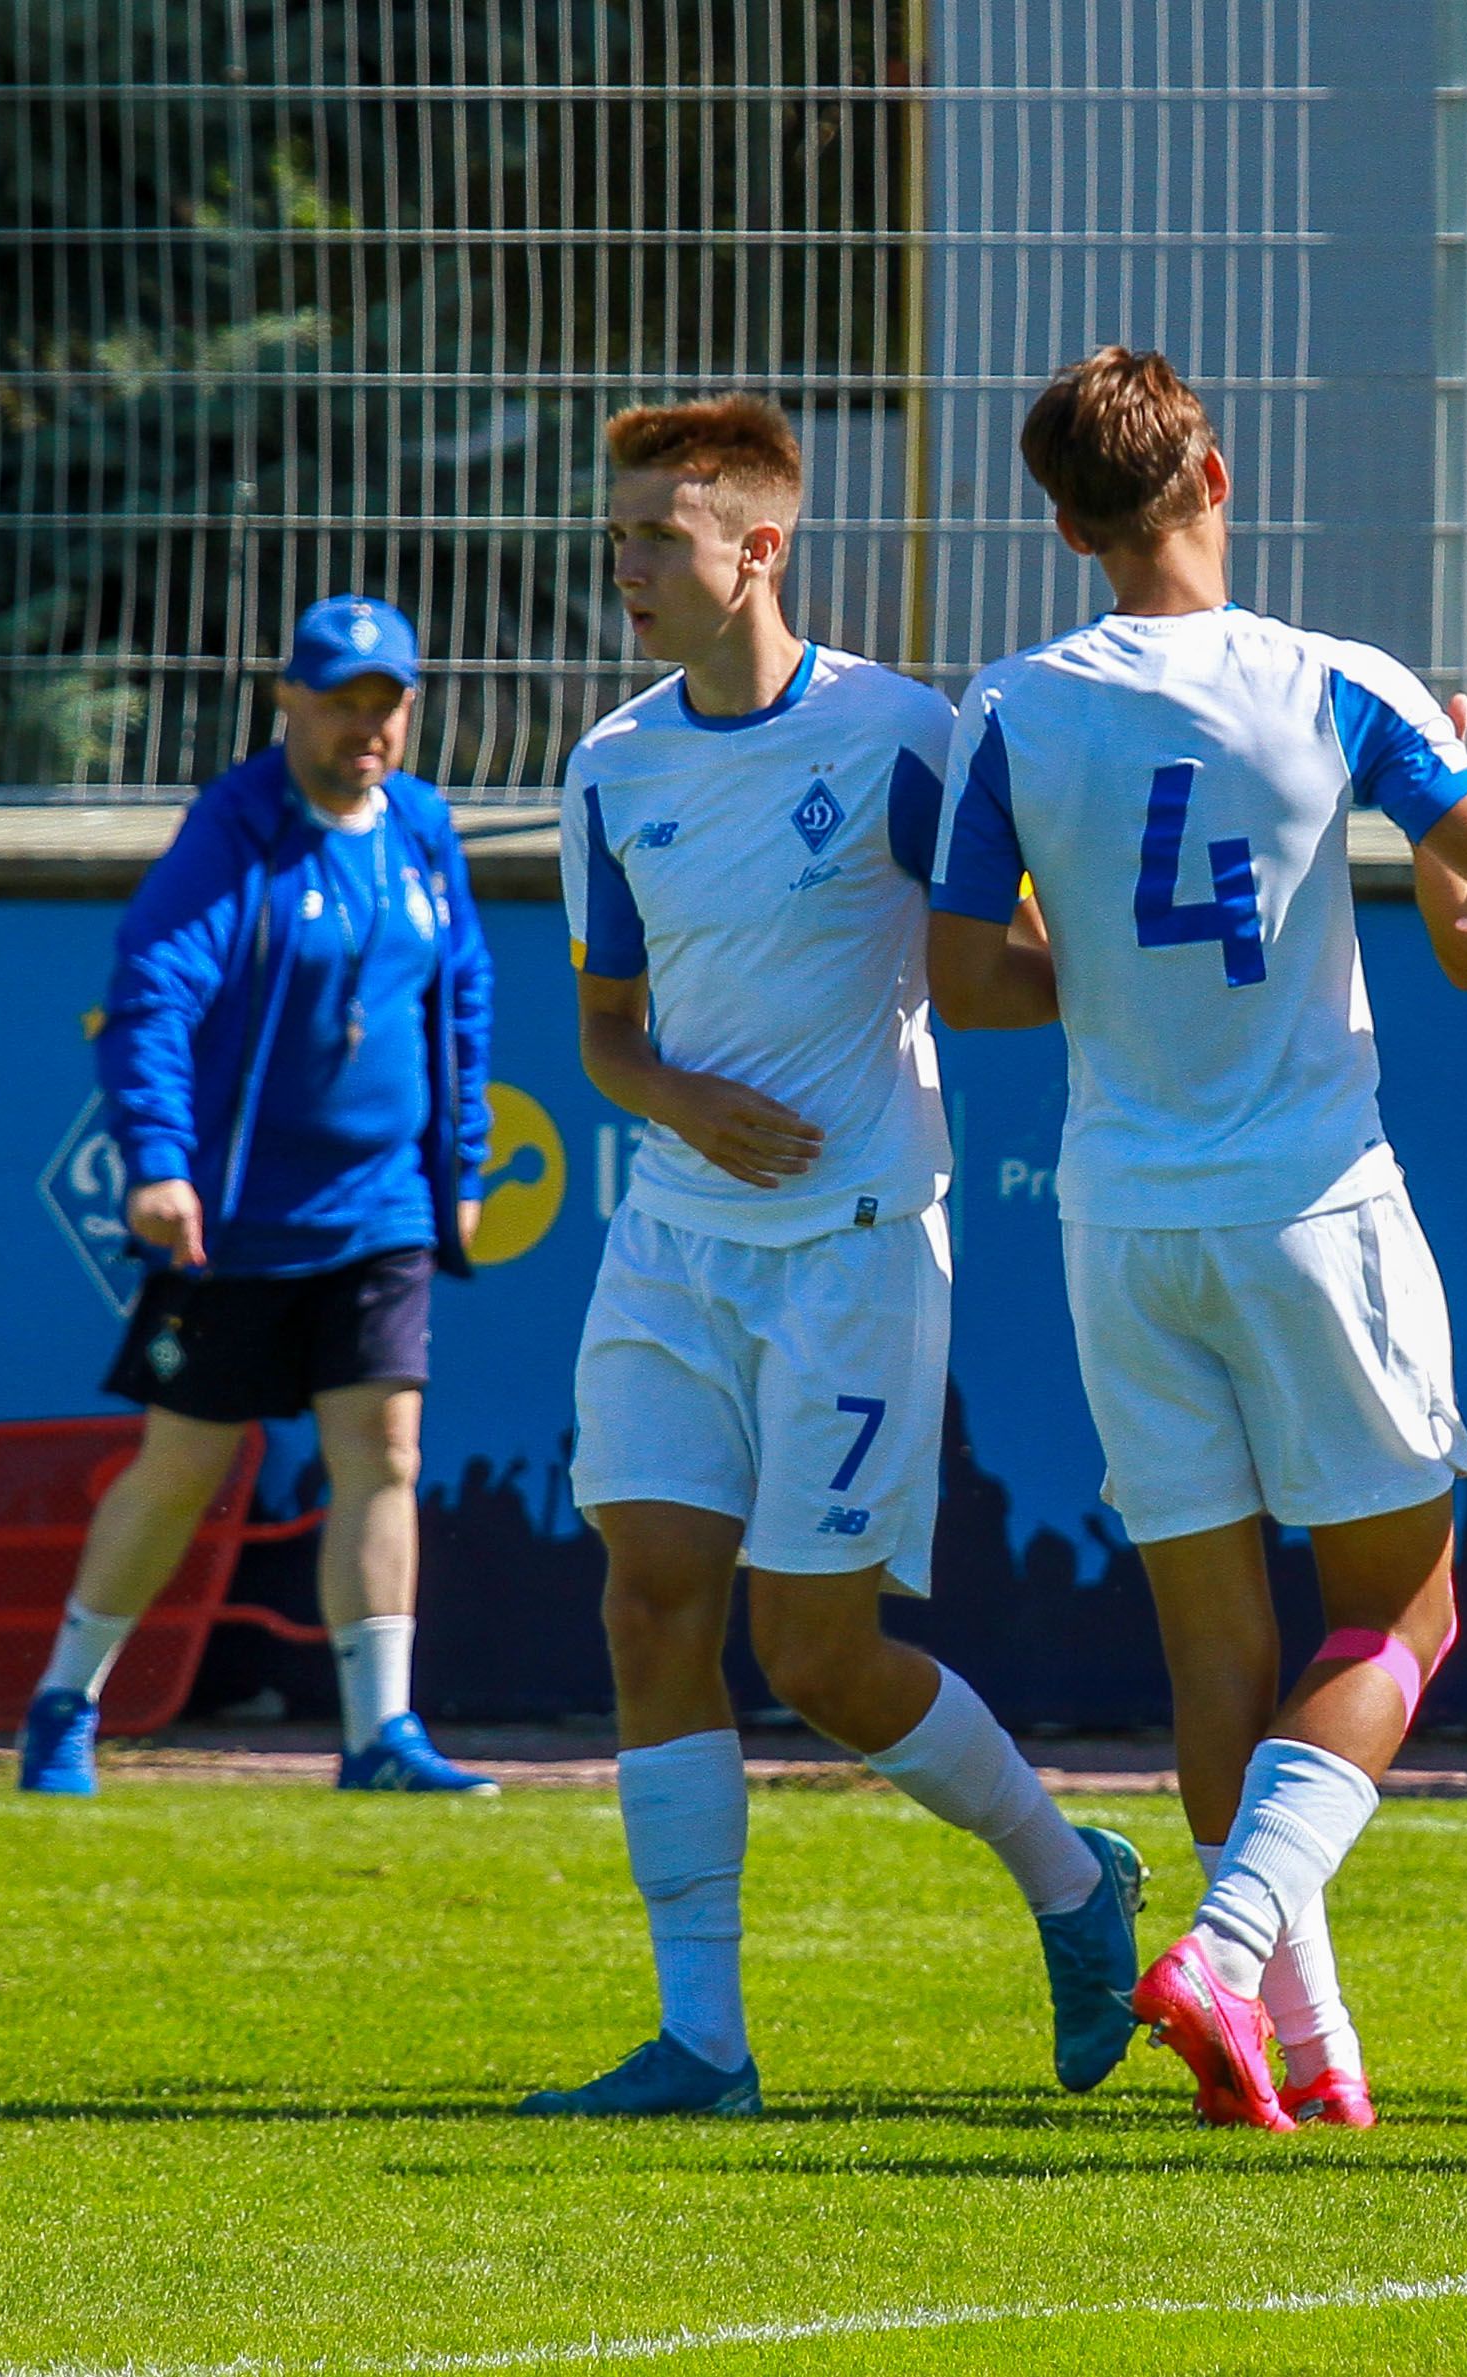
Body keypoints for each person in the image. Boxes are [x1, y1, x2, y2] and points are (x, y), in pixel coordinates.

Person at [927, 347, 1467, 2128]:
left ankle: (1307, 2056)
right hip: (1308, 1206)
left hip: (1116, 1221)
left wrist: (1118, 980)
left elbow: (958, 979)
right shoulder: (1336, 680)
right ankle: (1223, 1954)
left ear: (1063, 522)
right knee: (1404, 1609)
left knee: (1214, 1650)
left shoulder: (1005, 703)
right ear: (1213, 475)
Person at [522, 396, 1143, 2123]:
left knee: (812, 1655)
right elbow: (606, 1033)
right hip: (669, 1246)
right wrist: (677, 1103)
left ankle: (1074, 1885)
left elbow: (1010, 948)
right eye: (620, 533)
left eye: (660, 532)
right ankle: (703, 2042)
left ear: (760, 545)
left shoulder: (901, 734)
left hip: (856, 1249)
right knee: (649, 1605)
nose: (629, 564)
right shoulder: (611, 763)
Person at [16, 595, 498, 1797]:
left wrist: (465, 1164)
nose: (365, 727)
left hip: (381, 1205)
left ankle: (380, 1734)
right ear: (288, 700)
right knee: (184, 1463)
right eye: (340, 701)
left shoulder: (424, 826)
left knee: (385, 1448)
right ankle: (64, 1702)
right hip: (237, 1214)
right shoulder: (235, 828)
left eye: (386, 703)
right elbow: (154, 995)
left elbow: (465, 999)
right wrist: (159, 1160)